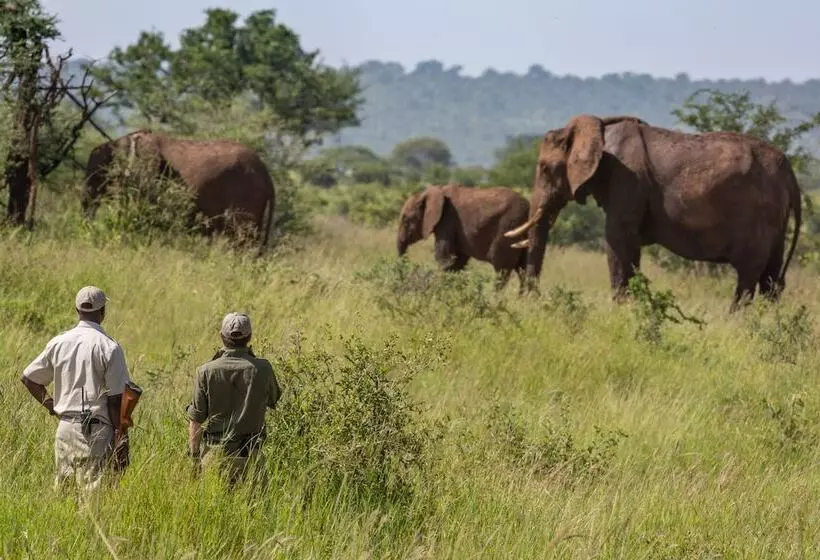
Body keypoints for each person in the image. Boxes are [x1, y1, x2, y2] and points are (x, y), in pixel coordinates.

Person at [20, 286, 131, 492]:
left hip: (64, 428)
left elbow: (29, 379)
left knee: (64, 497)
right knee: (92, 502)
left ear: (77, 310)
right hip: (96, 432)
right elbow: (116, 399)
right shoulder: (109, 347)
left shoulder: (59, 342)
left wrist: (52, 406)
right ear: (103, 311)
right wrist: (121, 437)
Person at [187, 312, 281, 486]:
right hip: (251, 456)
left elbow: (196, 422)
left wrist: (194, 459)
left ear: (222, 337)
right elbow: (273, 399)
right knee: (256, 511)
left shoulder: (205, 371)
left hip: (215, 456)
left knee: (214, 512)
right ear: (250, 336)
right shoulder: (263, 368)